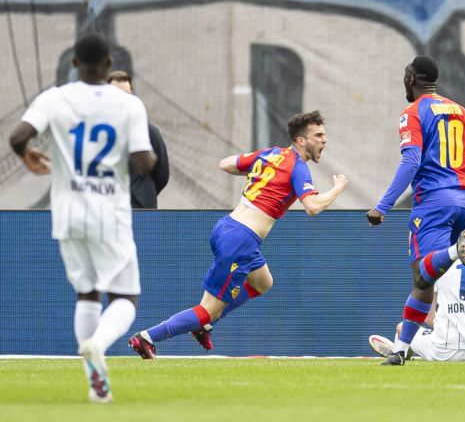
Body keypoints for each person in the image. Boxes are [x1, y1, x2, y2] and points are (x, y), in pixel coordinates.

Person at [8, 33, 157, 403]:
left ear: (74, 62)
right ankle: (98, 345)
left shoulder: (54, 98)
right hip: (110, 212)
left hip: (68, 211)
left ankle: (95, 380)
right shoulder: (126, 104)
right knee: (125, 297)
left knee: (86, 293)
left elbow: (18, 136)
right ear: (108, 64)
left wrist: (27, 155)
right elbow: (144, 161)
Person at [128, 111, 348, 358]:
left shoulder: (271, 154)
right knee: (207, 308)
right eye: (318, 135)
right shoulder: (298, 167)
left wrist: (259, 171)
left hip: (227, 227)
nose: (323, 140)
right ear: (300, 140)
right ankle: (147, 337)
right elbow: (313, 207)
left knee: (263, 282)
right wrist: (338, 189)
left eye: (324, 135)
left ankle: (206, 325)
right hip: (240, 240)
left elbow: (226, 163)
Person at [366, 56, 465, 366]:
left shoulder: (412, 113)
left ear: (411, 78)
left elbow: (411, 160)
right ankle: (401, 350)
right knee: (426, 282)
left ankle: (457, 250)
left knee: (421, 271)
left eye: (405, 75)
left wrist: (383, 205)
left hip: (434, 203)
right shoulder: (462, 112)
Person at [367, 210, 465, 361]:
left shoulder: (443, 261)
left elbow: (429, 316)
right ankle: (402, 352)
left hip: (445, 351)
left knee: (402, 328)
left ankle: (400, 352)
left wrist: (450, 328)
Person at [108, 71, 169, 209]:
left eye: (126, 95)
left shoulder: (149, 132)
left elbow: (162, 174)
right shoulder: (96, 134)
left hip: (141, 209)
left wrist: (144, 192)